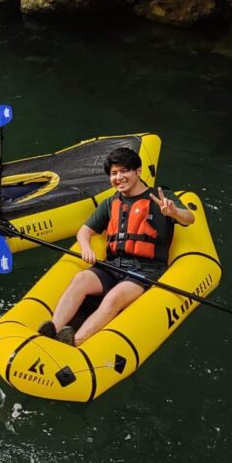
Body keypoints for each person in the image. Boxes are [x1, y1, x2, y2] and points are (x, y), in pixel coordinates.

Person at [38, 146, 195, 347]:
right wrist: (86, 247)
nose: (118, 177)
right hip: (113, 265)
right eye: (113, 173)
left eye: (124, 171)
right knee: (81, 278)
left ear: (137, 171)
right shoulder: (110, 203)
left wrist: (173, 213)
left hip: (145, 270)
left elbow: (189, 219)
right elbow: (84, 231)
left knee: (114, 298)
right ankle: (52, 329)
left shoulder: (160, 197)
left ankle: (75, 342)